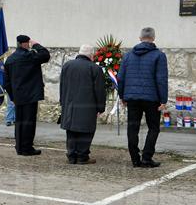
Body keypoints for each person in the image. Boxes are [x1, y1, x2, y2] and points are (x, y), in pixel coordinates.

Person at [118, 27, 168, 168]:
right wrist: (163, 100)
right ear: (153, 38)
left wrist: (122, 96)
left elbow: (120, 78)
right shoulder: (159, 55)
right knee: (153, 128)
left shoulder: (128, 56)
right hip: (152, 99)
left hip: (132, 97)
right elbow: (161, 79)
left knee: (132, 127)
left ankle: (135, 159)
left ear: (140, 38)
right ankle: (147, 158)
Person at [4, 35, 50, 155]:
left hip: (18, 96)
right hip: (30, 95)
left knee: (19, 122)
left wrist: (13, 97)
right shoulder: (30, 56)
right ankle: (27, 148)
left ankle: (19, 146)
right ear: (25, 44)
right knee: (29, 122)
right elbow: (46, 55)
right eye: (28, 43)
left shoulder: (10, 59)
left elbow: (6, 82)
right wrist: (35, 44)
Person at [59, 45, 107, 164]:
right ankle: (82, 156)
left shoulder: (67, 66)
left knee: (71, 130)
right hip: (87, 106)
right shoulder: (95, 68)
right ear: (91, 55)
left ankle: (71, 155)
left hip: (69, 104)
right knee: (86, 131)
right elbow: (99, 90)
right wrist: (101, 107)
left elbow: (62, 86)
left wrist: (62, 102)